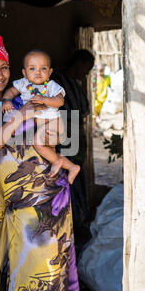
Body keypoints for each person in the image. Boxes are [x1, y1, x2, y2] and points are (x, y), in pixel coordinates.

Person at [0, 36, 79, 291]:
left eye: (3, 68)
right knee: (18, 271)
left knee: (48, 269)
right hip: (5, 203)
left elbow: (56, 136)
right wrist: (20, 117)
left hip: (47, 194)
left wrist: (58, 147)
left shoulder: (26, 95)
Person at [2, 50, 81, 184]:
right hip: (41, 125)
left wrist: (45, 100)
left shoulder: (51, 86)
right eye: (32, 68)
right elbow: (10, 91)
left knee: (38, 144)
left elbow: (60, 101)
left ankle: (58, 161)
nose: (38, 72)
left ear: (49, 72)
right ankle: (72, 167)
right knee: (48, 151)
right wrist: (6, 100)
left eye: (43, 68)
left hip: (53, 123)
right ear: (24, 72)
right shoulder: (23, 84)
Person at [53, 49, 94, 246]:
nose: (84, 74)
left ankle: (78, 222)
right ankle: (71, 223)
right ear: (77, 63)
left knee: (76, 177)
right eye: (84, 69)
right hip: (64, 139)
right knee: (67, 179)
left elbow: (84, 110)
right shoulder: (57, 82)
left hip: (75, 139)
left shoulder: (76, 86)